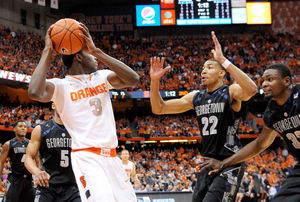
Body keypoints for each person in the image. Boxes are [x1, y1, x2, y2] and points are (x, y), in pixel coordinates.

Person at [28, 22, 139, 202]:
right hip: (87, 157)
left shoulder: (101, 77)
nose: (94, 59)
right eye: (89, 54)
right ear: (78, 58)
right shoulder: (61, 86)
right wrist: (47, 51)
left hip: (111, 157)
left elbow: (133, 79)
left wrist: (97, 51)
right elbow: (34, 92)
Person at [150, 31, 257, 202]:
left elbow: (252, 89)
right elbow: (159, 108)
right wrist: (154, 81)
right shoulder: (196, 97)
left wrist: (224, 61)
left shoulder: (230, 92)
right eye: (202, 68)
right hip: (207, 164)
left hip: (230, 163)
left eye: (209, 67)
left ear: (222, 73)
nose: (203, 71)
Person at [198, 63, 300, 202]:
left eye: (270, 79)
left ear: (287, 81)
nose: (264, 84)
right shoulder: (271, 113)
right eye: (263, 80)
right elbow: (259, 144)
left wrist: (224, 61)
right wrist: (224, 163)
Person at [25, 103, 81, 202]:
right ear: (54, 105)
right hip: (47, 187)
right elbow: (28, 157)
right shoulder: (41, 129)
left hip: (73, 188)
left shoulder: (79, 130)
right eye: (61, 102)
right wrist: (37, 171)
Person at [0, 120, 37, 202]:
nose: (23, 128)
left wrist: (38, 175)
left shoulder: (31, 144)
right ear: (14, 129)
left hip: (28, 180)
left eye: (25, 127)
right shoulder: (8, 144)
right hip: (14, 179)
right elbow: (1, 162)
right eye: (20, 126)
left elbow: (38, 160)